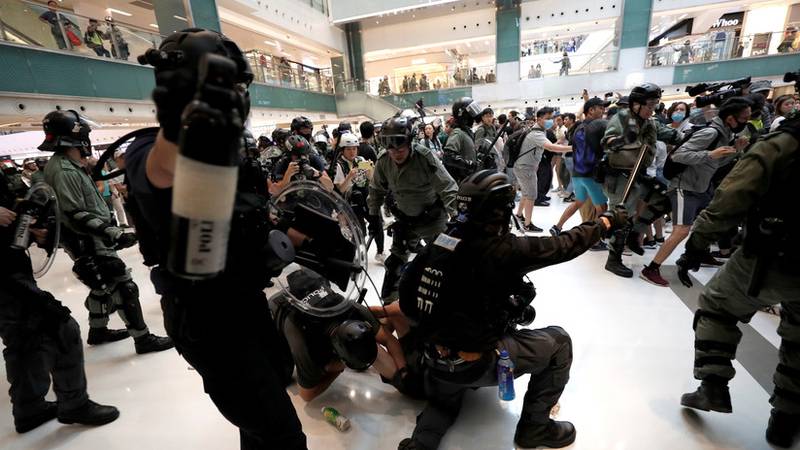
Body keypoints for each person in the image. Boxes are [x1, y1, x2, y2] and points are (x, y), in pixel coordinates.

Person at [128, 28, 311, 449]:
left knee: (266, 407)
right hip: (207, 319)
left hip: (244, 301)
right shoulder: (147, 149)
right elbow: (162, 170)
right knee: (282, 433)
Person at [396, 170, 628, 450]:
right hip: (477, 363)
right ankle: (535, 428)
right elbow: (565, 244)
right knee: (559, 342)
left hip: (434, 361)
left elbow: (407, 301)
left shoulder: (439, 242)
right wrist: (605, 222)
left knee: (442, 404)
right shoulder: (505, 249)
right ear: (501, 210)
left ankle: (420, 443)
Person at [676, 109, 800, 449]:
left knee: (716, 305)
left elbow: (731, 198)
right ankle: (786, 420)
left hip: (773, 258)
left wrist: (697, 245)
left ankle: (713, 384)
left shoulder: (784, 143)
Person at [39, 110, 173, 353]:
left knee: (103, 289)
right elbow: (75, 213)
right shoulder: (63, 170)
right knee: (124, 286)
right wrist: (114, 233)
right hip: (89, 241)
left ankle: (98, 330)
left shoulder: (68, 165)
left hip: (92, 240)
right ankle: (143, 339)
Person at [0, 171, 120, 434]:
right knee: (62, 327)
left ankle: (29, 409)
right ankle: (74, 403)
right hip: (6, 280)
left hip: (13, 268)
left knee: (23, 339)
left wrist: (32, 232)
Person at [639, 97, 751, 286]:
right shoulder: (710, 132)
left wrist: (735, 150)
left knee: (710, 223)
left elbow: (714, 164)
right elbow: (679, 155)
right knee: (681, 230)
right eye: (744, 117)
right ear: (731, 118)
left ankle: (699, 255)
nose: (746, 121)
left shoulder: (725, 134)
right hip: (685, 186)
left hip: (701, 187)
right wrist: (710, 154)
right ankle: (651, 268)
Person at [269, 268, 407, 401]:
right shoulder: (304, 343)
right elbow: (306, 394)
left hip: (313, 293)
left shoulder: (352, 309)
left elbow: (388, 340)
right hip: (277, 313)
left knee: (360, 350)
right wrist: (338, 369)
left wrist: (403, 372)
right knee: (283, 376)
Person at [367, 116, 458, 304]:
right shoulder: (384, 161)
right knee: (394, 265)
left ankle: (448, 305)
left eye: (400, 149)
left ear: (409, 143)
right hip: (406, 221)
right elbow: (376, 191)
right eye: (391, 149)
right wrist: (373, 217)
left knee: (443, 265)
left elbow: (448, 188)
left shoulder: (425, 157)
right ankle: (390, 306)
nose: (396, 153)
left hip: (432, 220)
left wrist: (458, 217)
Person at [601, 83, 662, 277]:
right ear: (636, 104)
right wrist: (623, 140)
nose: (651, 109)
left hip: (639, 174)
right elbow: (607, 142)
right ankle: (613, 258)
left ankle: (635, 234)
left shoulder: (648, 122)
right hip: (620, 177)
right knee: (620, 216)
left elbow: (664, 133)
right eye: (649, 105)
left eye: (654, 105)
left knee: (661, 200)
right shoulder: (622, 118)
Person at [550, 98, 610, 244]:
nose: (603, 111)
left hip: (578, 173)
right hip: (591, 174)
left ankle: (557, 227)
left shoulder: (578, 128)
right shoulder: (598, 126)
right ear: (590, 110)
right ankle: (595, 240)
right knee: (601, 207)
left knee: (578, 202)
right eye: (600, 108)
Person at [513, 108, 572, 233]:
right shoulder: (537, 134)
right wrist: (573, 148)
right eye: (548, 118)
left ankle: (518, 215)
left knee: (526, 193)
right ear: (539, 119)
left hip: (524, 166)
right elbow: (551, 147)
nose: (551, 121)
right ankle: (528, 225)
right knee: (531, 196)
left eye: (552, 118)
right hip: (525, 167)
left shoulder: (539, 131)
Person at [334, 133, 384, 264]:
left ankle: (380, 252)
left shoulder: (361, 160)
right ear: (342, 150)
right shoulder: (339, 165)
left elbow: (372, 180)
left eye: (354, 148)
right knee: (358, 230)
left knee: (377, 223)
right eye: (348, 149)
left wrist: (370, 170)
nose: (352, 152)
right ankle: (356, 256)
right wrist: (349, 177)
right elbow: (340, 189)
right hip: (350, 202)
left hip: (366, 197)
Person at [442, 97, 482, 180]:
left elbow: (466, 152)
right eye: (470, 112)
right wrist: (470, 164)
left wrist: (478, 156)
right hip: (462, 180)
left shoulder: (466, 132)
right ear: (463, 114)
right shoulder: (458, 133)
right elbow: (448, 156)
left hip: (469, 178)